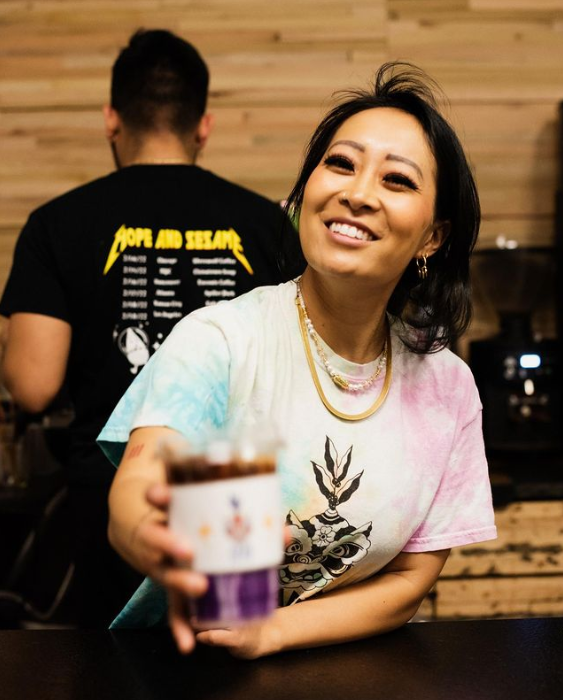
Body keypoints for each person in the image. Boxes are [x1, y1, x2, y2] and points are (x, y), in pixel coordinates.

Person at [98, 61, 497, 657]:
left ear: (433, 237)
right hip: (188, 667)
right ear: (303, 193)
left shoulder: (448, 387)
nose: (356, 193)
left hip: (352, 672)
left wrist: (275, 630)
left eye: (397, 180)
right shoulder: (222, 339)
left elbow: (411, 579)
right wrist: (149, 534)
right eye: (340, 164)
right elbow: (139, 483)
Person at [0, 29, 284, 627]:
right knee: (235, 653)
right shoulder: (267, 225)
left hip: (106, 496)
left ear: (111, 118)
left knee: (106, 664)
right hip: (234, 494)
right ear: (203, 126)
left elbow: (33, 386)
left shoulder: (56, 225)